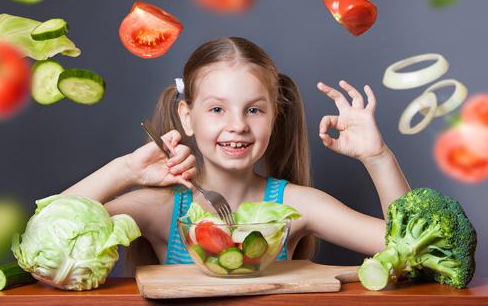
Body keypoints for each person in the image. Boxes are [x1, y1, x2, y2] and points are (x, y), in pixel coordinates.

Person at [62, 37, 411, 274]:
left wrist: (377, 157)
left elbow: (413, 250)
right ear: (187, 116)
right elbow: (52, 233)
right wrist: (125, 170)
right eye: (217, 109)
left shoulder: (297, 205)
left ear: (275, 115)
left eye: (254, 111)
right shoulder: (162, 210)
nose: (237, 126)